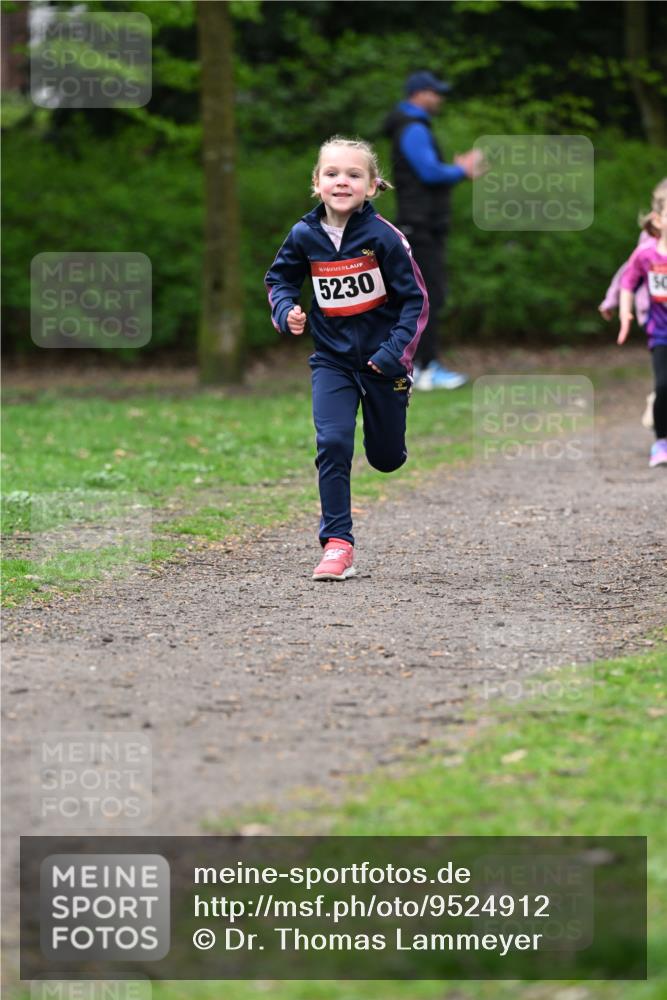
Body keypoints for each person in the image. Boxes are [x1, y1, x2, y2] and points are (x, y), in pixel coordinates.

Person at [265, 136, 428, 580]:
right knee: (333, 443)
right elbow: (278, 281)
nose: (342, 181)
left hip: (383, 364)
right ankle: (337, 544)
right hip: (332, 361)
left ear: (372, 186)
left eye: (354, 175)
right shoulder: (304, 236)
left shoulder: (384, 238)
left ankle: (395, 403)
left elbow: (416, 302)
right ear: (316, 183)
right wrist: (286, 312)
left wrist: (393, 353)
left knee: (386, 458)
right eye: (332, 174)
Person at [384, 70, 483, 391]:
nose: (439, 98)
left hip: (422, 225)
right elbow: (428, 172)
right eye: (434, 92)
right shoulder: (412, 128)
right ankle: (424, 369)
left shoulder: (411, 126)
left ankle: (419, 366)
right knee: (426, 297)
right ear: (418, 94)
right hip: (419, 225)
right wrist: (461, 170)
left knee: (423, 296)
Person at [617, 178, 667, 468]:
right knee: (664, 385)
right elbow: (627, 280)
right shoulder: (646, 254)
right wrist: (625, 312)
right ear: (658, 220)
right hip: (661, 334)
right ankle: (661, 441)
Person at [599, 214, 657, 429]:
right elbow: (628, 272)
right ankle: (659, 400)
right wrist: (611, 300)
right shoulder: (650, 241)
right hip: (654, 314)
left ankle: (659, 399)